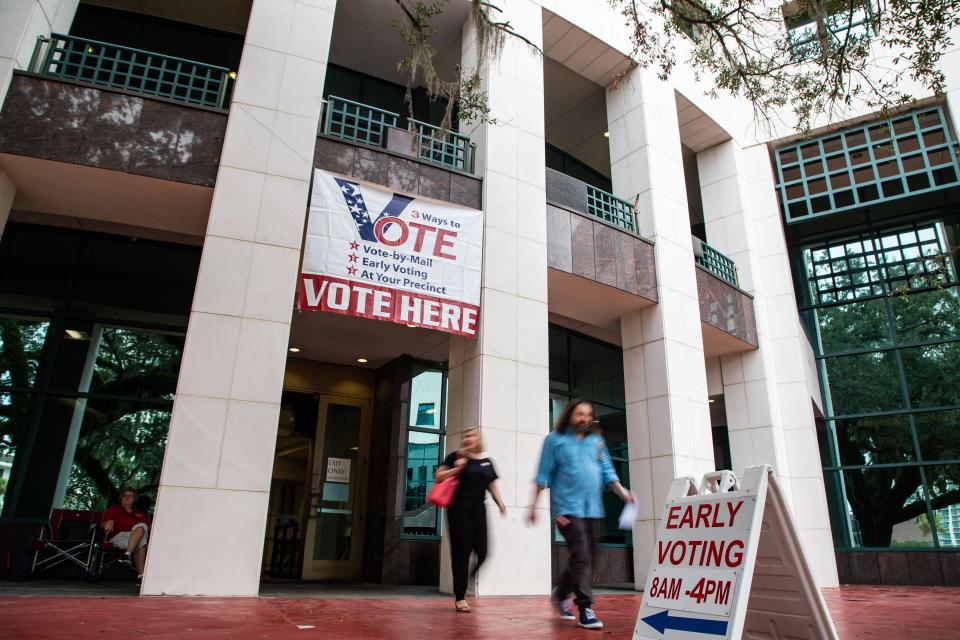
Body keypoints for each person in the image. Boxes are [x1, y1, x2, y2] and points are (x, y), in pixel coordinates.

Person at [528, 399, 634, 630]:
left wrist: (624, 494)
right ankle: (585, 608)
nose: (584, 418)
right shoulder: (554, 440)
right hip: (566, 509)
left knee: (586, 557)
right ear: (569, 415)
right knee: (582, 555)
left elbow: (608, 472)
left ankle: (561, 593)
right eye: (579, 414)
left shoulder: (596, 442)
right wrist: (533, 507)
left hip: (593, 509)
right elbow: (542, 474)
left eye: (588, 414)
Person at [434, 426, 507, 613]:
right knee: (461, 553)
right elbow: (438, 476)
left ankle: (468, 575)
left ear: (478, 439)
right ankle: (460, 597)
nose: (468, 438)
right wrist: (455, 471)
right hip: (458, 509)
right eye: (465, 435)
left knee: (483, 551)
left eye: (472, 435)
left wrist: (500, 503)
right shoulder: (455, 457)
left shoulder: (487, 462)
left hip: (478, 509)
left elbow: (492, 485)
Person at [100, 487, 150, 586]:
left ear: (134, 499)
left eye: (130, 496)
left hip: (134, 539)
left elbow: (146, 529)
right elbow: (102, 526)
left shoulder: (139, 513)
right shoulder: (114, 509)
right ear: (121, 498)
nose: (127, 498)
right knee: (141, 534)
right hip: (118, 537)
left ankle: (130, 558)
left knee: (142, 533)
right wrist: (109, 521)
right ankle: (140, 574)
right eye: (124, 496)